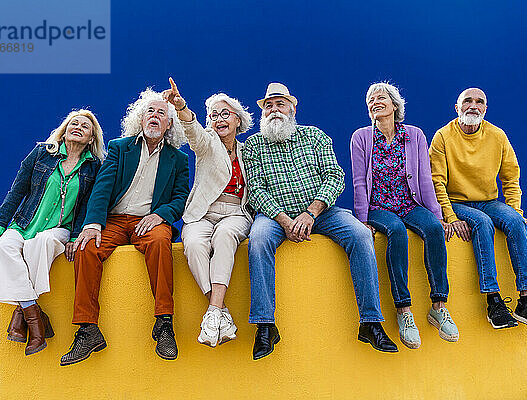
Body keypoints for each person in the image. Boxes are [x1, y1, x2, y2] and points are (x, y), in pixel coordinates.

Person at [243, 82, 397, 360]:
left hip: (321, 213)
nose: (274, 110)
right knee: (258, 240)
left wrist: (310, 213)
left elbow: (335, 176)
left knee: (360, 235)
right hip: (275, 216)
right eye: (269, 105)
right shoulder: (253, 145)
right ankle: (265, 325)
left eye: (280, 104)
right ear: (263, 112)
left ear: (293, 107)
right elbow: (255, 189)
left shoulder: (314, 136)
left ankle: (371, 322)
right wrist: (285, 220)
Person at [60, 88, 190, 366]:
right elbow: (102, 187)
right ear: (140, 119)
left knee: (159, 243)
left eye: (161, 114)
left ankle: (164, 324)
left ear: (169, 124)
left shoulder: (178, 159)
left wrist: (162, 214)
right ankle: (87, 330)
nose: (155, 116)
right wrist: (92, 223)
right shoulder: (121, 147)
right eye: (150, 112)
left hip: (150, 220)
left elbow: (181, 197)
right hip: (115, 220)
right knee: (86, 248)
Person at [0, 109, 105, 356]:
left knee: (43, 243)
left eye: (85, 126)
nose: (77, 127)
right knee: (4, 248)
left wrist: (75, 235)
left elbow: (90, 204)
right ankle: (34, 316)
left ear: (91, 138)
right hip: (24, 224)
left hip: (59, 230)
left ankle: (22, 314)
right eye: (73, 123)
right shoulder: (41, 154)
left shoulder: (94, 167)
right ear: (65, 129)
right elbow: (16, 192)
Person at [429, 87, 527, 330]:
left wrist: (516, 210)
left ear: (486, 109)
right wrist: (451, 216)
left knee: (516, 222)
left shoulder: (497, 136)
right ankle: (493, 300)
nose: (473, 106)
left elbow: (511, 178)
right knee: (483, 224)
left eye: (479, 102)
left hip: (488, 201)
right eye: (467, 101)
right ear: (457, 108)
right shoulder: (443, 137)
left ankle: (526, 301)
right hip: (457, 202)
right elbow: (436, 183)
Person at [350, 82, 459, 349]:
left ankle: (438, 306)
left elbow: (424, 178)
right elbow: (359, 182)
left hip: (409, 203)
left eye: (381, 97)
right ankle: (404, 311)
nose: (375, 101)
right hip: (379, 208)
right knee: (397, 232)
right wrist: (363, 219)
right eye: (371, 100)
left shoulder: (415, 135)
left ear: (395, 105)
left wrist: (437, 215)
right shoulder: (361, 137)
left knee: (433, 229)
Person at [162, 78, 253, 347]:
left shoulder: (250, 151)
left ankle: (213, 312)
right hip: (203, 211)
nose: (219, 119)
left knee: (225, 237)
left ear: (238, 120)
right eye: (214, 115)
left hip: (235, 210)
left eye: (225, 114)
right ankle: (218, 312)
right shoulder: (207, 142)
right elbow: (193, 132)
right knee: (193, 243)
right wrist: (181, 107)